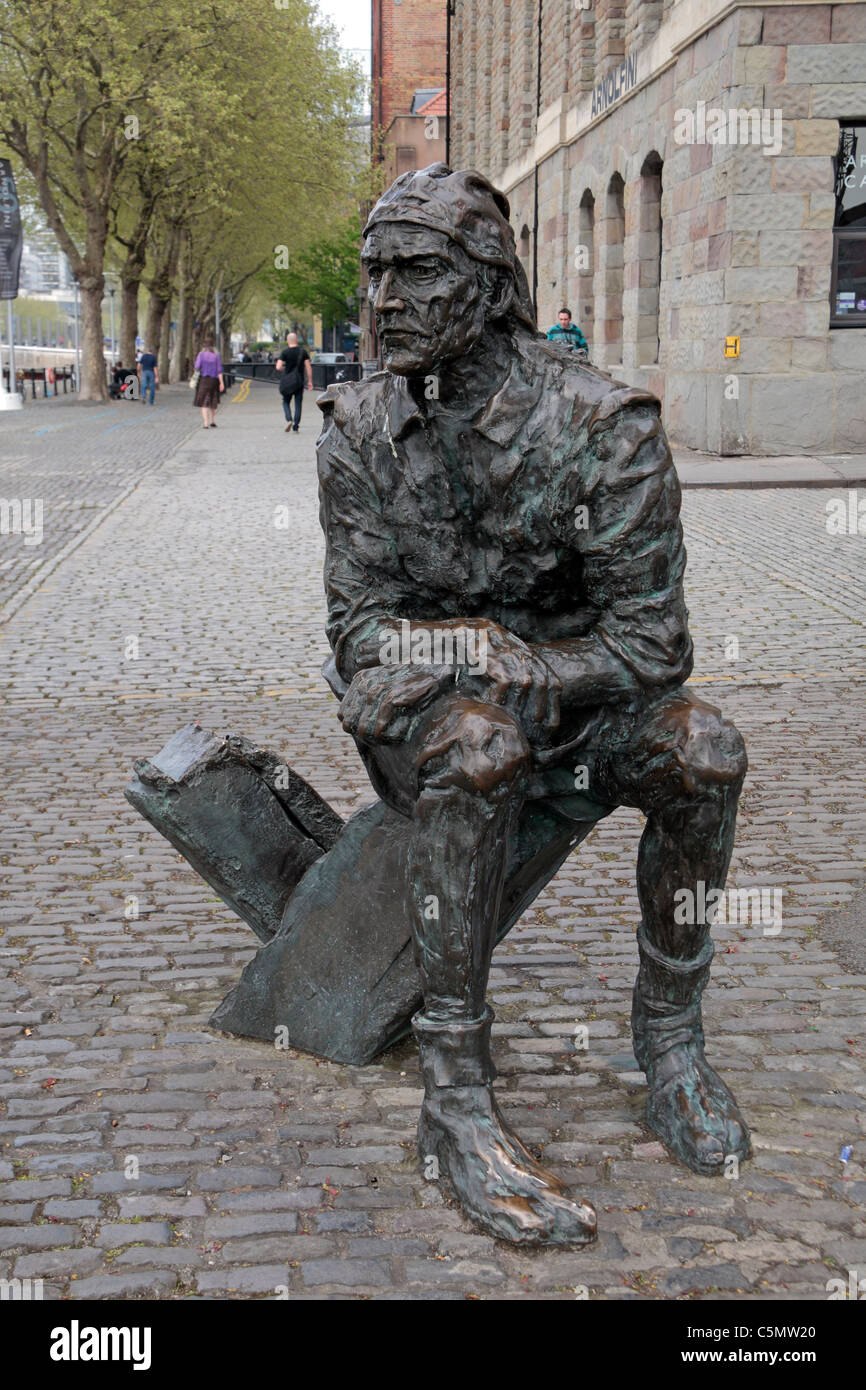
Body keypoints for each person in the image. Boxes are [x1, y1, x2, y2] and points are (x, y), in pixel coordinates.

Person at [315, 163, 749, 1246]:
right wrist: (476, 653)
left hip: (588, 701)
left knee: (702, 750)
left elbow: (651, 643)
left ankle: (670, 1045)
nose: (382, 303)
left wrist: (538, 670)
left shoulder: (601, 426)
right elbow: (361, 629)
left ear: (489, 280)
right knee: (476, 745)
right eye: (371, 278)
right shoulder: (357, 429)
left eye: (414, 274)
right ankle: (456, 1098)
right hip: (434, 709)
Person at [275, 331, 312, 432]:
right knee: (298, 403)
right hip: (299, 381)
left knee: (285, 401)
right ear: (297, 340)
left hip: (287, 381)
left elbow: (278, 367)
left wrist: (285, 369)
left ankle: (289, 419)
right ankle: (296, 425)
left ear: (287, 341)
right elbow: (308, 367)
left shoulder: (285, 352)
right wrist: (310, 381)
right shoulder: (303, 352)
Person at [193, 339, 224, 428]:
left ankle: (205, 423)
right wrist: (222, 383)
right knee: (212, 401)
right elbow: (219, 371)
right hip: (214, 381)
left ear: (204, 346)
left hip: (204, 380)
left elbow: (197, 367)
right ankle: (212, 421)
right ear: (213, 346)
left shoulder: (201, 355)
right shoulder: (216, 356)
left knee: (204, 402)